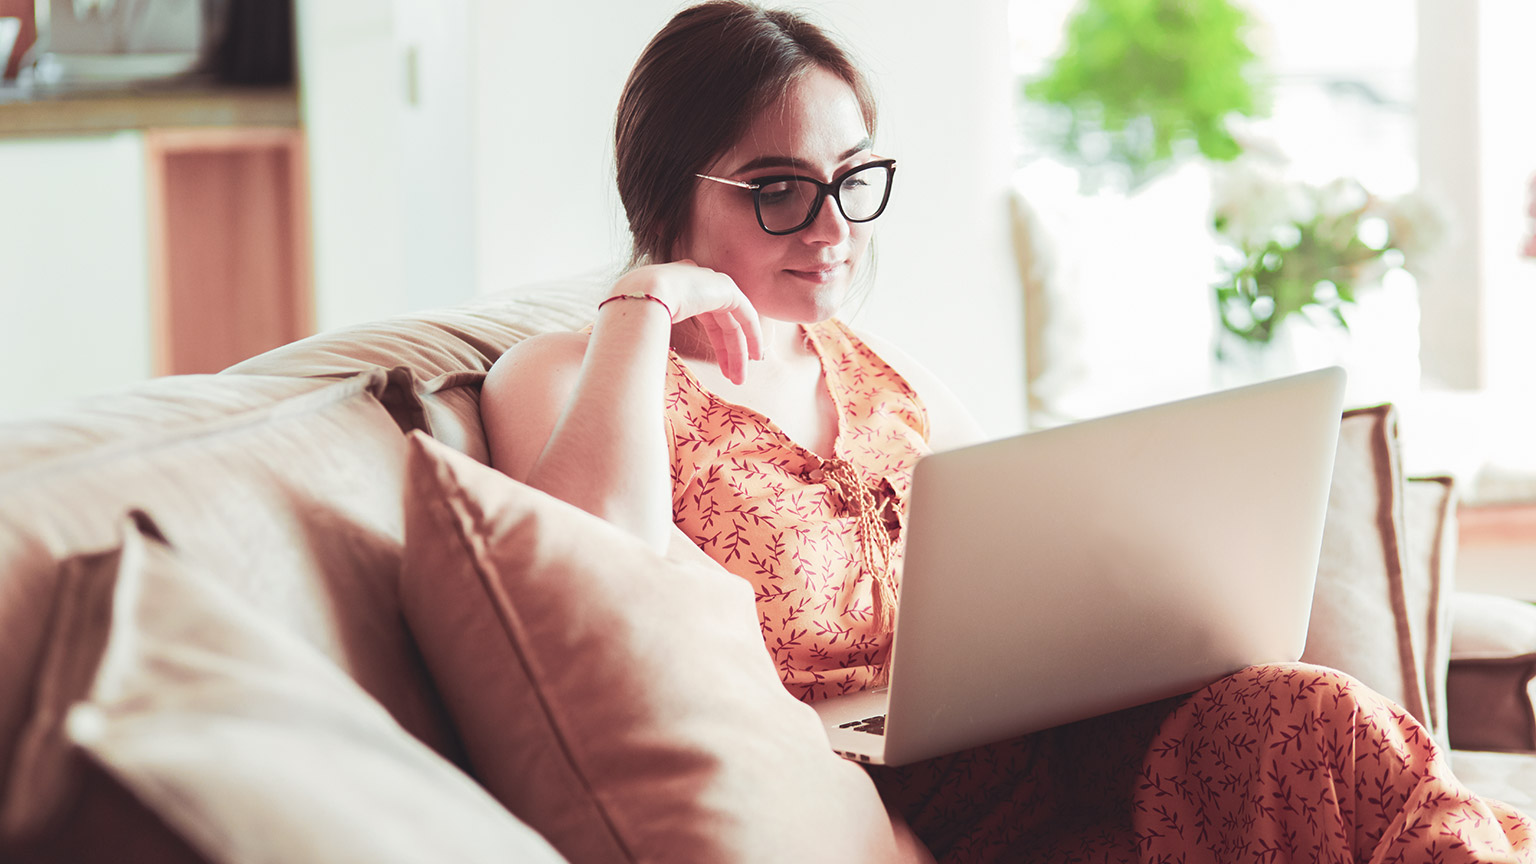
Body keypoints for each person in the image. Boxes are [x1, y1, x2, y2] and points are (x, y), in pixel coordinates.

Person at [480, 2, 1536, 861]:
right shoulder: (569, 373)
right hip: (889, 807)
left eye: (851, 177)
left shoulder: (893, 383)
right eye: (779, 192)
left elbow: (1036, 580)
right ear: (668, 189)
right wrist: (642, 303)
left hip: (1055, 751)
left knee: (1315, 719)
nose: (834, 227)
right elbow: (590, 555)